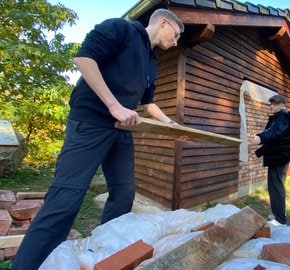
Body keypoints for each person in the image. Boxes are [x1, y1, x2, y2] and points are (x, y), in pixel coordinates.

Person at [12, 9, 185, 269]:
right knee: (66, 200)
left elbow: (148, 104)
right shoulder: (120, 29)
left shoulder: (151, 62)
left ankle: (102, 250)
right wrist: (114, 105)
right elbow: (83, 59)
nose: (176, 41)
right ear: (164, 22)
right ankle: (27, 265)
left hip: (121, 130)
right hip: (90, 123)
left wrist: (173, 126)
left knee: (125, 192)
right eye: (177, 34)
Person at [251, 94, 290, 225]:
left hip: (279, 159)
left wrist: (260, 136)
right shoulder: (279, 117)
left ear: (282, 105)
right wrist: (258, 152)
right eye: (270, 104)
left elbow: (274, 132)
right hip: (277, 157)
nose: (271, 106)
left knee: (276, 188)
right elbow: (274, 140)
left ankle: (281, 220)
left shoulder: (282, 117)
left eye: (274, 104)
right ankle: (278, 214)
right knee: (274, 187)